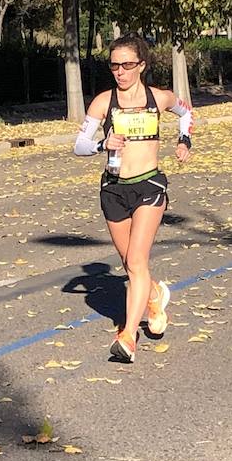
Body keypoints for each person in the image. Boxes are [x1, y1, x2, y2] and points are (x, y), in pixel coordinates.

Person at [73, 35, 193, 363]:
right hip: (114, 189)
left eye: (127, 65)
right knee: (128, 262)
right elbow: (79, 145)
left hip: (149, 186)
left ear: (141, 65)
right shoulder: (103, 102)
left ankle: (128, 335)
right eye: (114, 65)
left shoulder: (159, 97)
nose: (120, 72)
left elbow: (187, 113)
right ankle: (155, 295)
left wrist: (184, 142)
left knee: (137, 262)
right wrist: (102, 145)